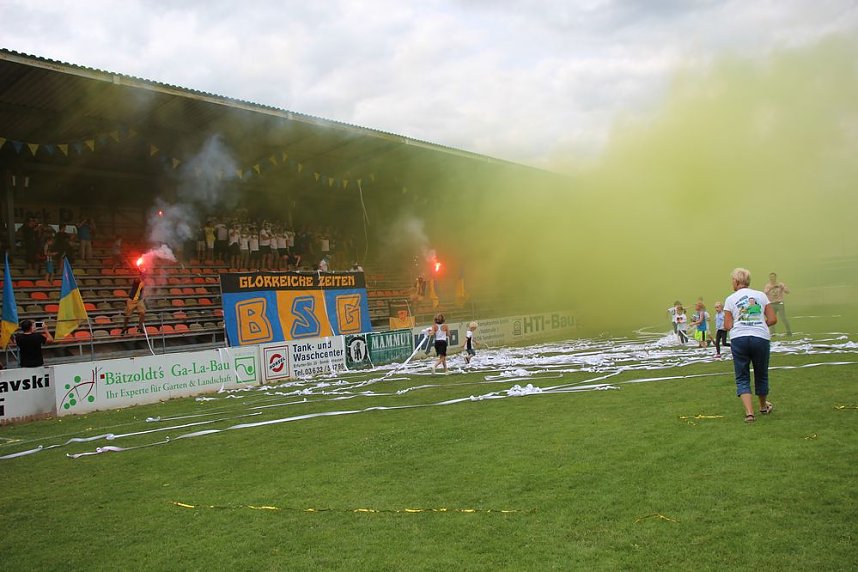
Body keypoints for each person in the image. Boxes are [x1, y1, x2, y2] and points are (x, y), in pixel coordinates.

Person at [724, 267, 777, 423]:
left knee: (742, 376)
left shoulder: (730, 299)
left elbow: (727, 325)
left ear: (736, 281)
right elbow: (772, 319)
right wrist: (758, 324)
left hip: (739, 338)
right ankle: (763, 406)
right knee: (761, 373)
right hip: (760, 337)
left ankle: (749, 413)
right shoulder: (761, 295)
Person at [121, 269, 147, 335]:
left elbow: (141, 291)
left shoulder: (143, 282)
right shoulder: (137, 280)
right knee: (127, 315)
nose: (145, 276)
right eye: (144, 275)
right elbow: (137, 280)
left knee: (142, 312)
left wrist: (143, 297)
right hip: (131, 300)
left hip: (139, 300)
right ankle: (124, 328)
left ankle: (140, 328)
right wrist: (141, 273)